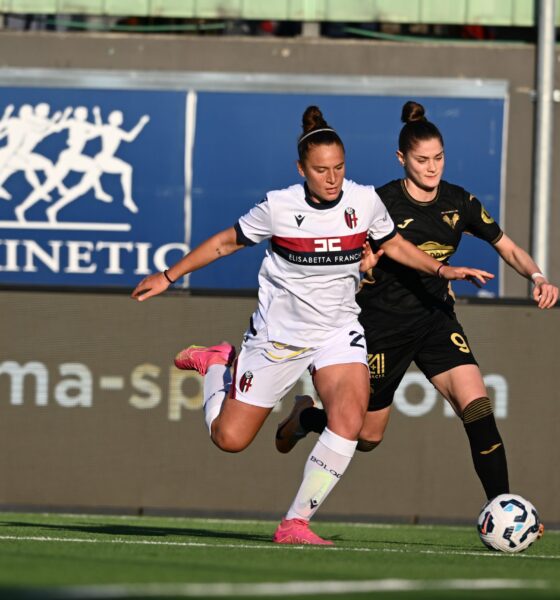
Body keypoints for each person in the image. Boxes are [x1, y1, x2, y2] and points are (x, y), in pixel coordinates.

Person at [131, 105, 492, 545]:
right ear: (300, 169)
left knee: (351, 418)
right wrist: (168, 276)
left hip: (339, 330)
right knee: (229, 439)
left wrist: (441, 271)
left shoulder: (364, 202)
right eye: (321, 170)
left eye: (339, 168)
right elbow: (226, 243)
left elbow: (393, 243)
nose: (332, 178)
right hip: (278, 339)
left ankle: (295, 522)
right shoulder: (278, 207)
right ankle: (216, 365)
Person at [275, 101, 558, 516]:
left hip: (434, 320)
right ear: (401, 158)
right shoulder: (378, 202)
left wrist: (537, 277)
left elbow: (508, 247)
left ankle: (504, 509)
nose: (432, 168)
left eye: (438, 158)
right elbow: (343, 255)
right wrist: (362, 268)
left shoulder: (459, 202)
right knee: (367, 436)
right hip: (381, 328)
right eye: (422, 160)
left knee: (476, 406)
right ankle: (306, 417)